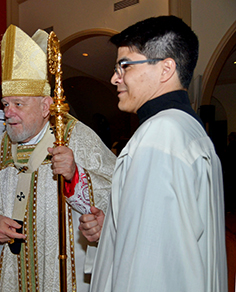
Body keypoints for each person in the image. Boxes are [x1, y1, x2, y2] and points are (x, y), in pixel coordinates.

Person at [81, 16, 228, 292]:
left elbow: (150, 271)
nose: (115, 78)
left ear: (165, 69)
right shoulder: (188, 129)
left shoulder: (160, 134)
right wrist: (116, 224)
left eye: (124, 66)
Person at [0, 24, 116, 292]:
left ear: (46, 106)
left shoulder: (76, 137)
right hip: (10, 272)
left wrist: (75, 174)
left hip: (64, 273)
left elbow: (116, 188)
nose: (9, 113)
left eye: (18, 104)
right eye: (5, 104)